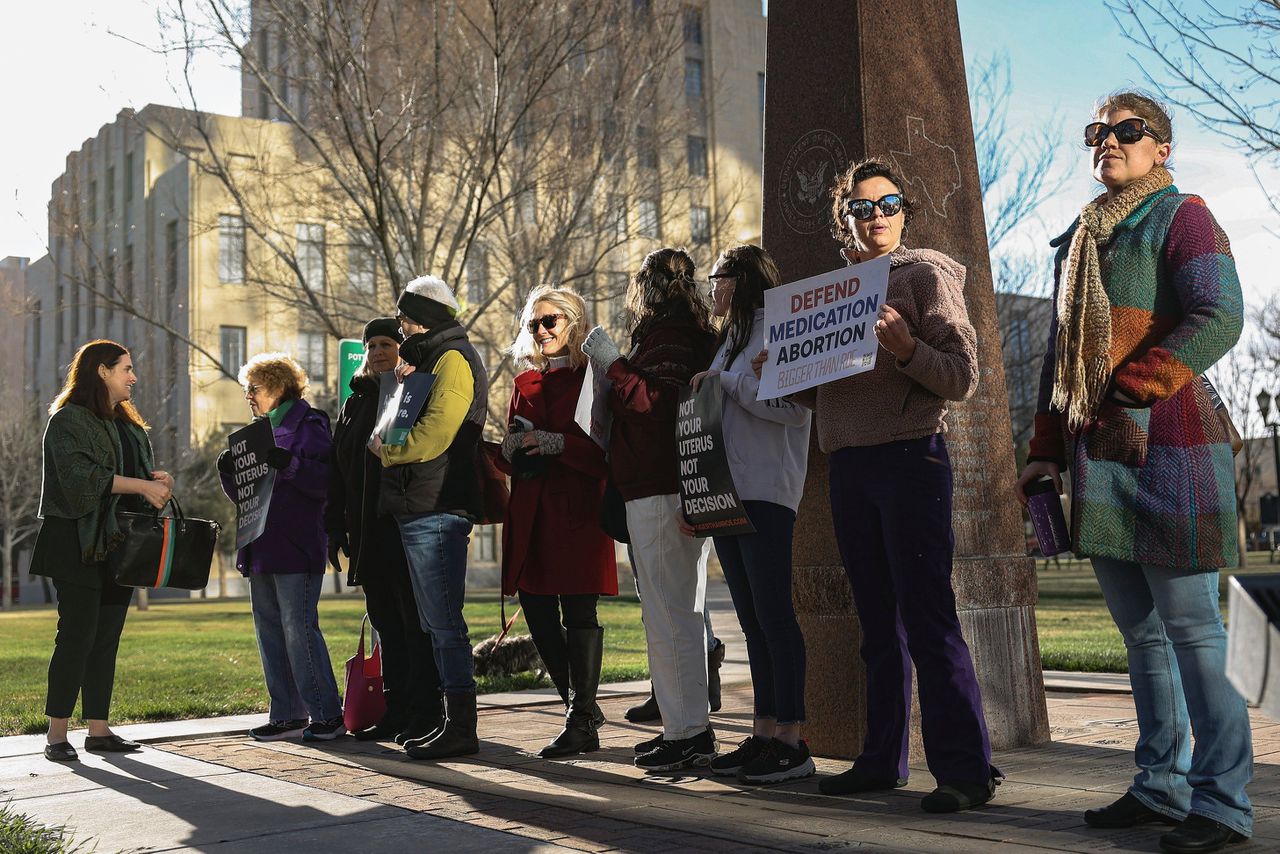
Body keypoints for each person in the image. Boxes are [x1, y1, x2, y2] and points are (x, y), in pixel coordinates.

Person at [1015, 92, 1250, 854]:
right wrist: (1044, 448)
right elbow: (1060, 362)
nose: (1107, 142)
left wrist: (1130, 386)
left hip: (1173, 447)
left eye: (1125, 131)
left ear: (1161, 150)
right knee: (1143, 638)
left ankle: (1223, 803)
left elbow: (1219, 315)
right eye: (1096, 133)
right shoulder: (1079, 240)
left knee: (1192, 631)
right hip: (1099, 457)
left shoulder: (1183, 216)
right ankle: (1161, 785)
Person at [757, 157, 999, 812]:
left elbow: (961, 375)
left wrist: (906, 351)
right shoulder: (829, 297)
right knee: (875, 625)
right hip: (850, 466)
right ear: (845, 219)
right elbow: (820, 401)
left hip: (912, 459)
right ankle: (881, 759)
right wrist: (778, 369)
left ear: (905, 213)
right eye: (863, 208)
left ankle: (965, 772)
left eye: (889, 205)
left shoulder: (925, 277)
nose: (878, 217)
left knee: (928, 617)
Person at [580, 247, 718, 772]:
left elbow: (657, 406)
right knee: (670, 612)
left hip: (663, 485)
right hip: (654, 485)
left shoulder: (673, 337)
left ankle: (690, 733)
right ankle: (683, 728)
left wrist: (613, 364)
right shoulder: (673, 334)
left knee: (672, 613)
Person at [685, 244, 814, 785]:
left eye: (716, 277)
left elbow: (791, 408)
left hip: (767, 488)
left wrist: (729, 384)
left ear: (738, 281)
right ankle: (763, 732)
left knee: (774, 615)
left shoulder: (781, 329)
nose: (710, 287)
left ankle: (793, 740)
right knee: (750, 620)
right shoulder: (730, 339)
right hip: (728, 492)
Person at [32, 340, 174, 762]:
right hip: (76, 540)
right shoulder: (67, 420)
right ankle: (57, 735)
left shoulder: (126, 422)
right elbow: (80, 480)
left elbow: (123, 473)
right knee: (76, 636)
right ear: (101, 371)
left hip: (119, 542)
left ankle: (98, 729)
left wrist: (153, 479)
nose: (133, 377)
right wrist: (141, 486)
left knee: (106, 638)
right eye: (126, 368)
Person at [497, 285, 617, 758]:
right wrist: (511, 448)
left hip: (579, 509)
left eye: (551, 321)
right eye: (534, 324)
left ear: (575, 323)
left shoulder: (596, 377)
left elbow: (603, 449)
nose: (542, 331)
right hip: (532, 512)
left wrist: (557, 443)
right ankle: (580, 708)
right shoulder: (524, 383)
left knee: (579, 611)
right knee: (537, 607)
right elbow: (514, 448)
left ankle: (582, 717)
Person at [377, 274, 488, 761]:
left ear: (425, 319)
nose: (401, 329)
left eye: (404, 319)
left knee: (444, 623)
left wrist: (387, 451)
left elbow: (434, 436)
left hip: (438, 506)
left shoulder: (455, 362)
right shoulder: (426, 362)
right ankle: (448, 721)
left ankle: (461, 727)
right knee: (433, 621)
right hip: (419, 504)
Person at [326, 318, 442, 744]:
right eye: (371, 344)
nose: (377, 351)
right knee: (385, 623)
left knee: (413, 623)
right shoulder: (355, 402)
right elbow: (338, 469)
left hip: (401, 524)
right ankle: (395, 708)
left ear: (402, 348)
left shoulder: (411, 394)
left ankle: (425, 709)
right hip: (365, 532)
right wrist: (334, 525)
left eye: (386, 343)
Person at [217, 353, 343, 742]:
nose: (248, 397)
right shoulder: (255, 432)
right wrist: (229, 469)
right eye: (246, 390)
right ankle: (287, 712)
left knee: (298, 631)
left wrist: (289, 464)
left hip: (297, 544)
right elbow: (246, 496)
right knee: (269, 631)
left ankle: (326, 715)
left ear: (276, 386)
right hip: (261, 545)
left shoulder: (310, 424)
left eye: (253, 389)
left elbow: (326, 482)